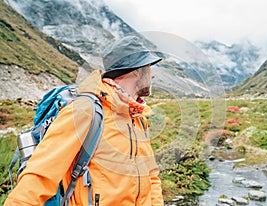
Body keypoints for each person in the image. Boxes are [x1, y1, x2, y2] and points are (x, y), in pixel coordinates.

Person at [4, 36, 164, 205]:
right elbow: (39, 176)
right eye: (148, 68)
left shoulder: (137, 118)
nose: (152, 75)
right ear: (136, 71)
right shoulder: (85, 111)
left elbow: (151, 176)